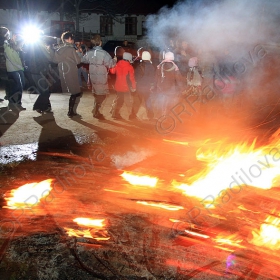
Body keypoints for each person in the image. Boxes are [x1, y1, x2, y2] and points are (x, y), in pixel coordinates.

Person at [81, 34, 116, 120]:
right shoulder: (104, 53)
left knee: (97, 93)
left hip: (93, 75)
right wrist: (114, 60)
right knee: (102, 95)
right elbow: (110, 64)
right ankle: (97, 112)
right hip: (101, 75)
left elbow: (83, 60)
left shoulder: (89, 53)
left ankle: (96, 110)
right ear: (100, 42)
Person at [52, 31, 82, 117]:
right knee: (75, 92)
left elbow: (54, 60)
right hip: (71, 71)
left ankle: (71, 111)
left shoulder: (59, 49)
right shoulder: (71, 49)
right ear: (69, 39)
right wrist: (78, 53)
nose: (73, 41)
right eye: (72, 39)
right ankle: (71, 111)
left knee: (73, 91)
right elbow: (78, 61)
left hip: (63, 71)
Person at [24, 37, 53, 113]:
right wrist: (49, 49)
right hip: (39, 72)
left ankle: (45, 107)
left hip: (34, 72)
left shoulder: (33, 48)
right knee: (46, 91)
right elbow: (49, 58)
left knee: (43, 90)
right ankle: (38, 106)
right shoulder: (42, 49)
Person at [0, 26, 26, 110]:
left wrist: (16, 40)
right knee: (18, 85)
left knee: (20, 85)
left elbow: (17, 49)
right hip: (12, 68)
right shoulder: (4, 43)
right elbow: (12, 52)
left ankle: (17, 102)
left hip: (17, 67)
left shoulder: (8, 42)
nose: (9, 34)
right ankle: (11, 98)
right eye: (7, 33)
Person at [155, 51, 185, 117]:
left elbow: (157, 77)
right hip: (171, 88)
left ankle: (162, 115)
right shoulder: (175, 67)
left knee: (162, 102)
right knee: (170, 102)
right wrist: (182, 88)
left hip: (161, 87)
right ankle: (168, 115)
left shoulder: (160, 66)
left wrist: (156, 86)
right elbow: (179, 79)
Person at [130, 51, 156, 120]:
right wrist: (152, 85)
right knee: (148, 101)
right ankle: (150, 115)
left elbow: (136, 76)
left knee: (137, 102)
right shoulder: (151, 67)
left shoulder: (139, 66)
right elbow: (152, 78)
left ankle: (132, 115)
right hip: (147, 87)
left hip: (139, 86)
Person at [110, 52, 136, 120]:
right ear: (129, 59)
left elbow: (112, 71)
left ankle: (114, 112)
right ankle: (131, 116)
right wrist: (134, 87)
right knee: (128, 101)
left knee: (119, 100)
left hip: (118, 85)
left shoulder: (117, 64)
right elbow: (132, 78)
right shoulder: (130, 67)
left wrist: (113, 63)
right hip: (126, 87)